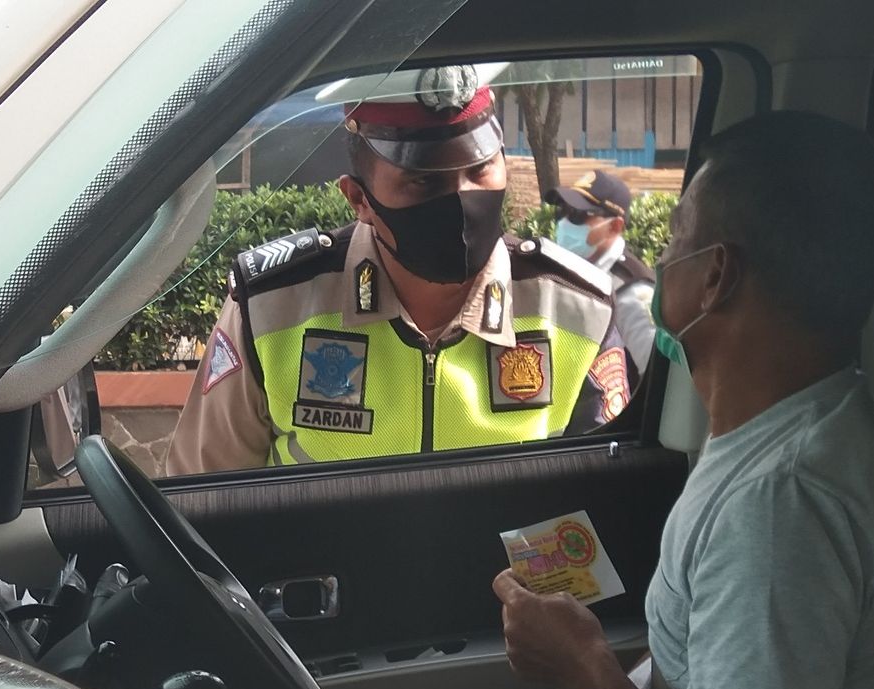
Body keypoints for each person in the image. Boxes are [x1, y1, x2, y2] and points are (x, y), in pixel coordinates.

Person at [449, 111, 874, 689]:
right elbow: (677, 688)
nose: (661, 257)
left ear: (715, 275)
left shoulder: (783, 506)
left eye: (679, 235)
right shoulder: (792, 437)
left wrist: (584, 664)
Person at [167, 66, 631, 475]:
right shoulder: (274, 302)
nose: (461, 199)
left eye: (480, 170)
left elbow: (605, 499)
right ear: (359, 199)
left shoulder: (575, 307)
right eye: (424, 181)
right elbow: (203, 492)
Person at [547, 171, 657, 377]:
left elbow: (654, 377)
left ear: (615, 226)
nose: (564, 224)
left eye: (578, 215)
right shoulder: (571, 274)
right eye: (562, 212)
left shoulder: (632, 292)